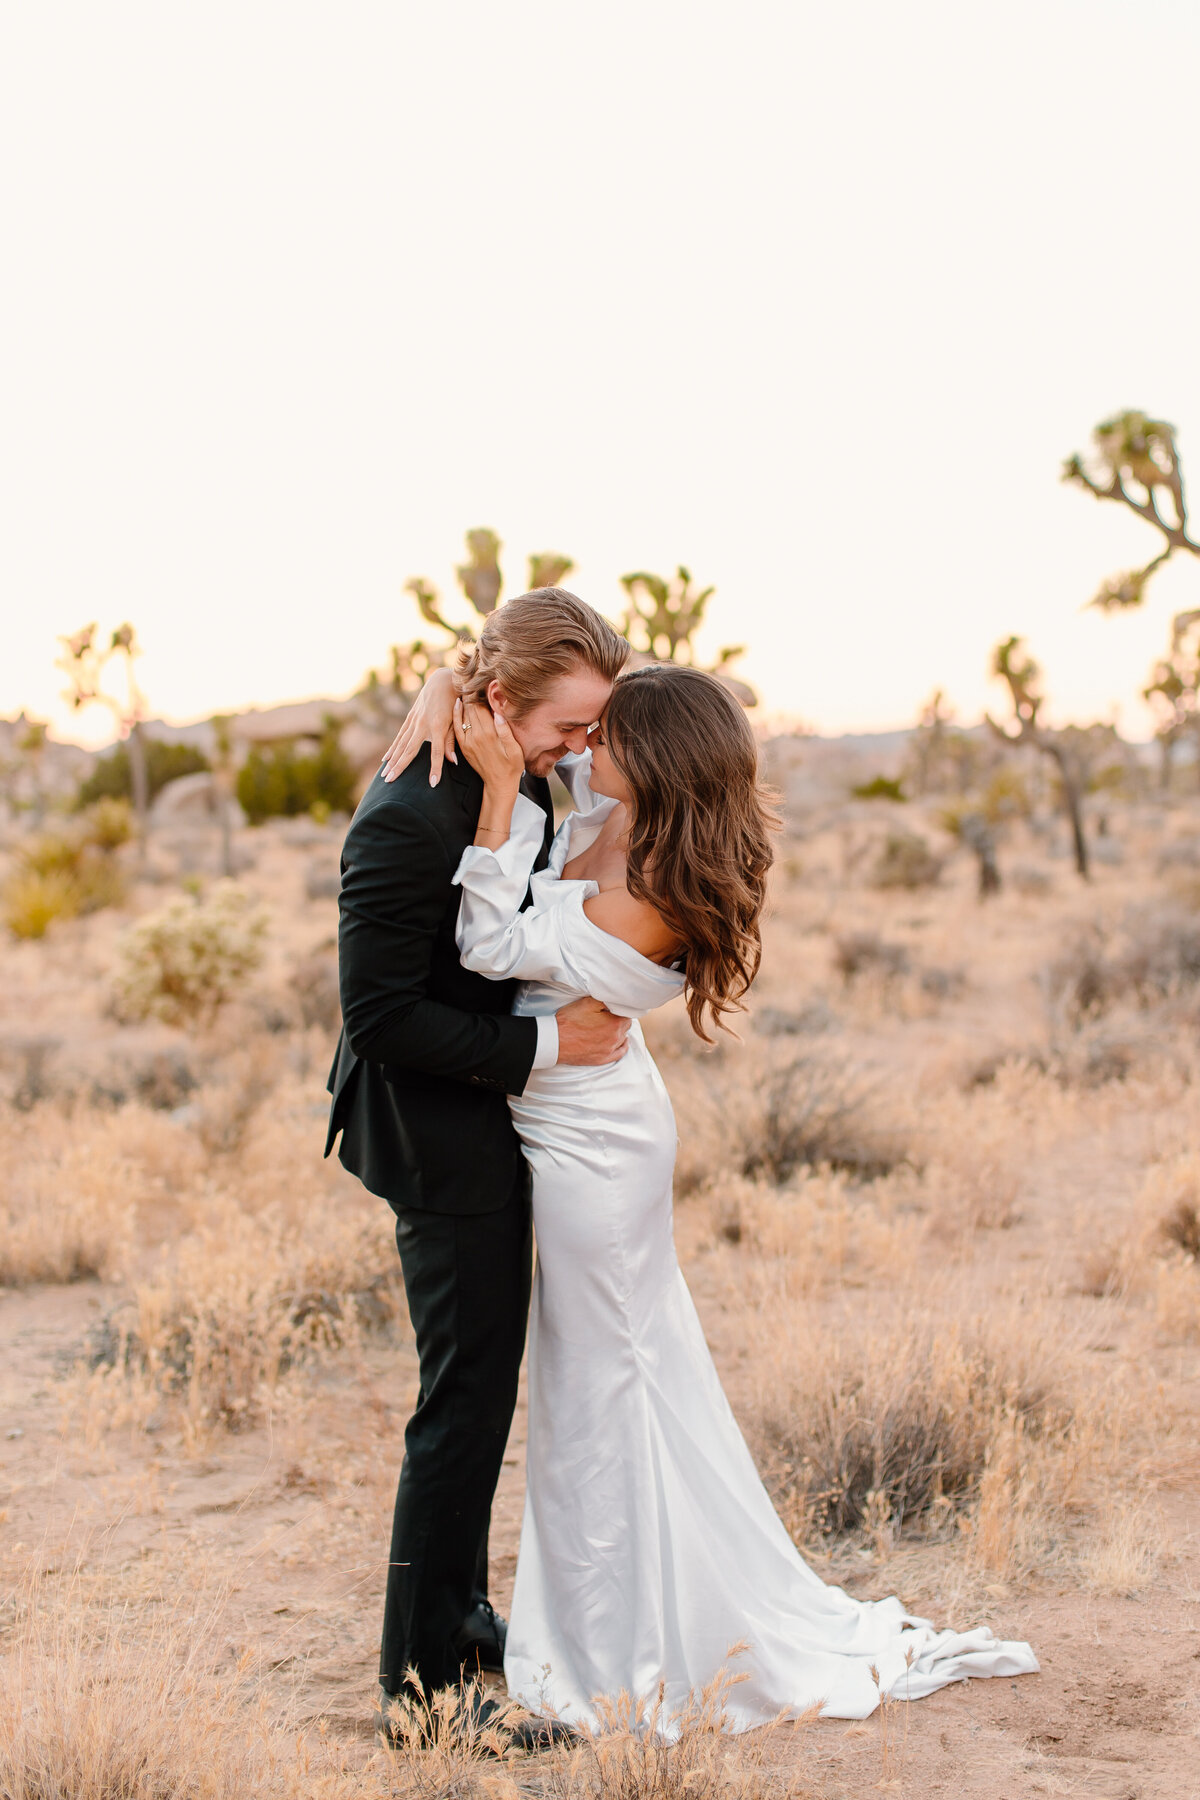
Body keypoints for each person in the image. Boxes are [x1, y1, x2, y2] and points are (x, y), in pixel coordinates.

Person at [387, 657, 1039, 1733]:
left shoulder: (652, 891)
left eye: (613, 735)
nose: (589, 750)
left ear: (661, 757)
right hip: (576, 1115)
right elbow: (525, 717)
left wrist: (501, 795)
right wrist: (467, 710)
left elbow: (489, 942)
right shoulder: (613, 816)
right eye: (589, 733)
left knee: (604, 1384)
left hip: (597, 1147)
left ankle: (628, 1644)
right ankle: (602, 1618)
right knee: (610, 1375)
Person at [325, 588, 629, 1740]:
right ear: (502, 702)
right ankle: (423, 1696)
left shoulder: (514, 757)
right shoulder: (408, 813)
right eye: (567, 730)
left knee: (485, 1387)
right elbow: (380, 1014)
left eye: (591, 729)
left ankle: (458, 1614)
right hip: (435, 1133)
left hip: (488, 1117)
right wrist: (548, 1047)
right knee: (460, 1401)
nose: (581, 750)